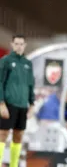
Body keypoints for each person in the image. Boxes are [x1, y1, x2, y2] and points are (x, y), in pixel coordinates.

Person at [0, 34, 35, 167]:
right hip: (8, 104)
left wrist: (32, 104)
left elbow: (31, 85)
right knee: (3, 133)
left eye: (21, 44)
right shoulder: (6, 61)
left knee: (18, 135)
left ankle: (14, 165)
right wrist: (1, 103)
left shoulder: (28, 63)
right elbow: (0, 82)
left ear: (24, 45)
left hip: (22, 105)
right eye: (17, 43)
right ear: (12, 44)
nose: (19, 46)